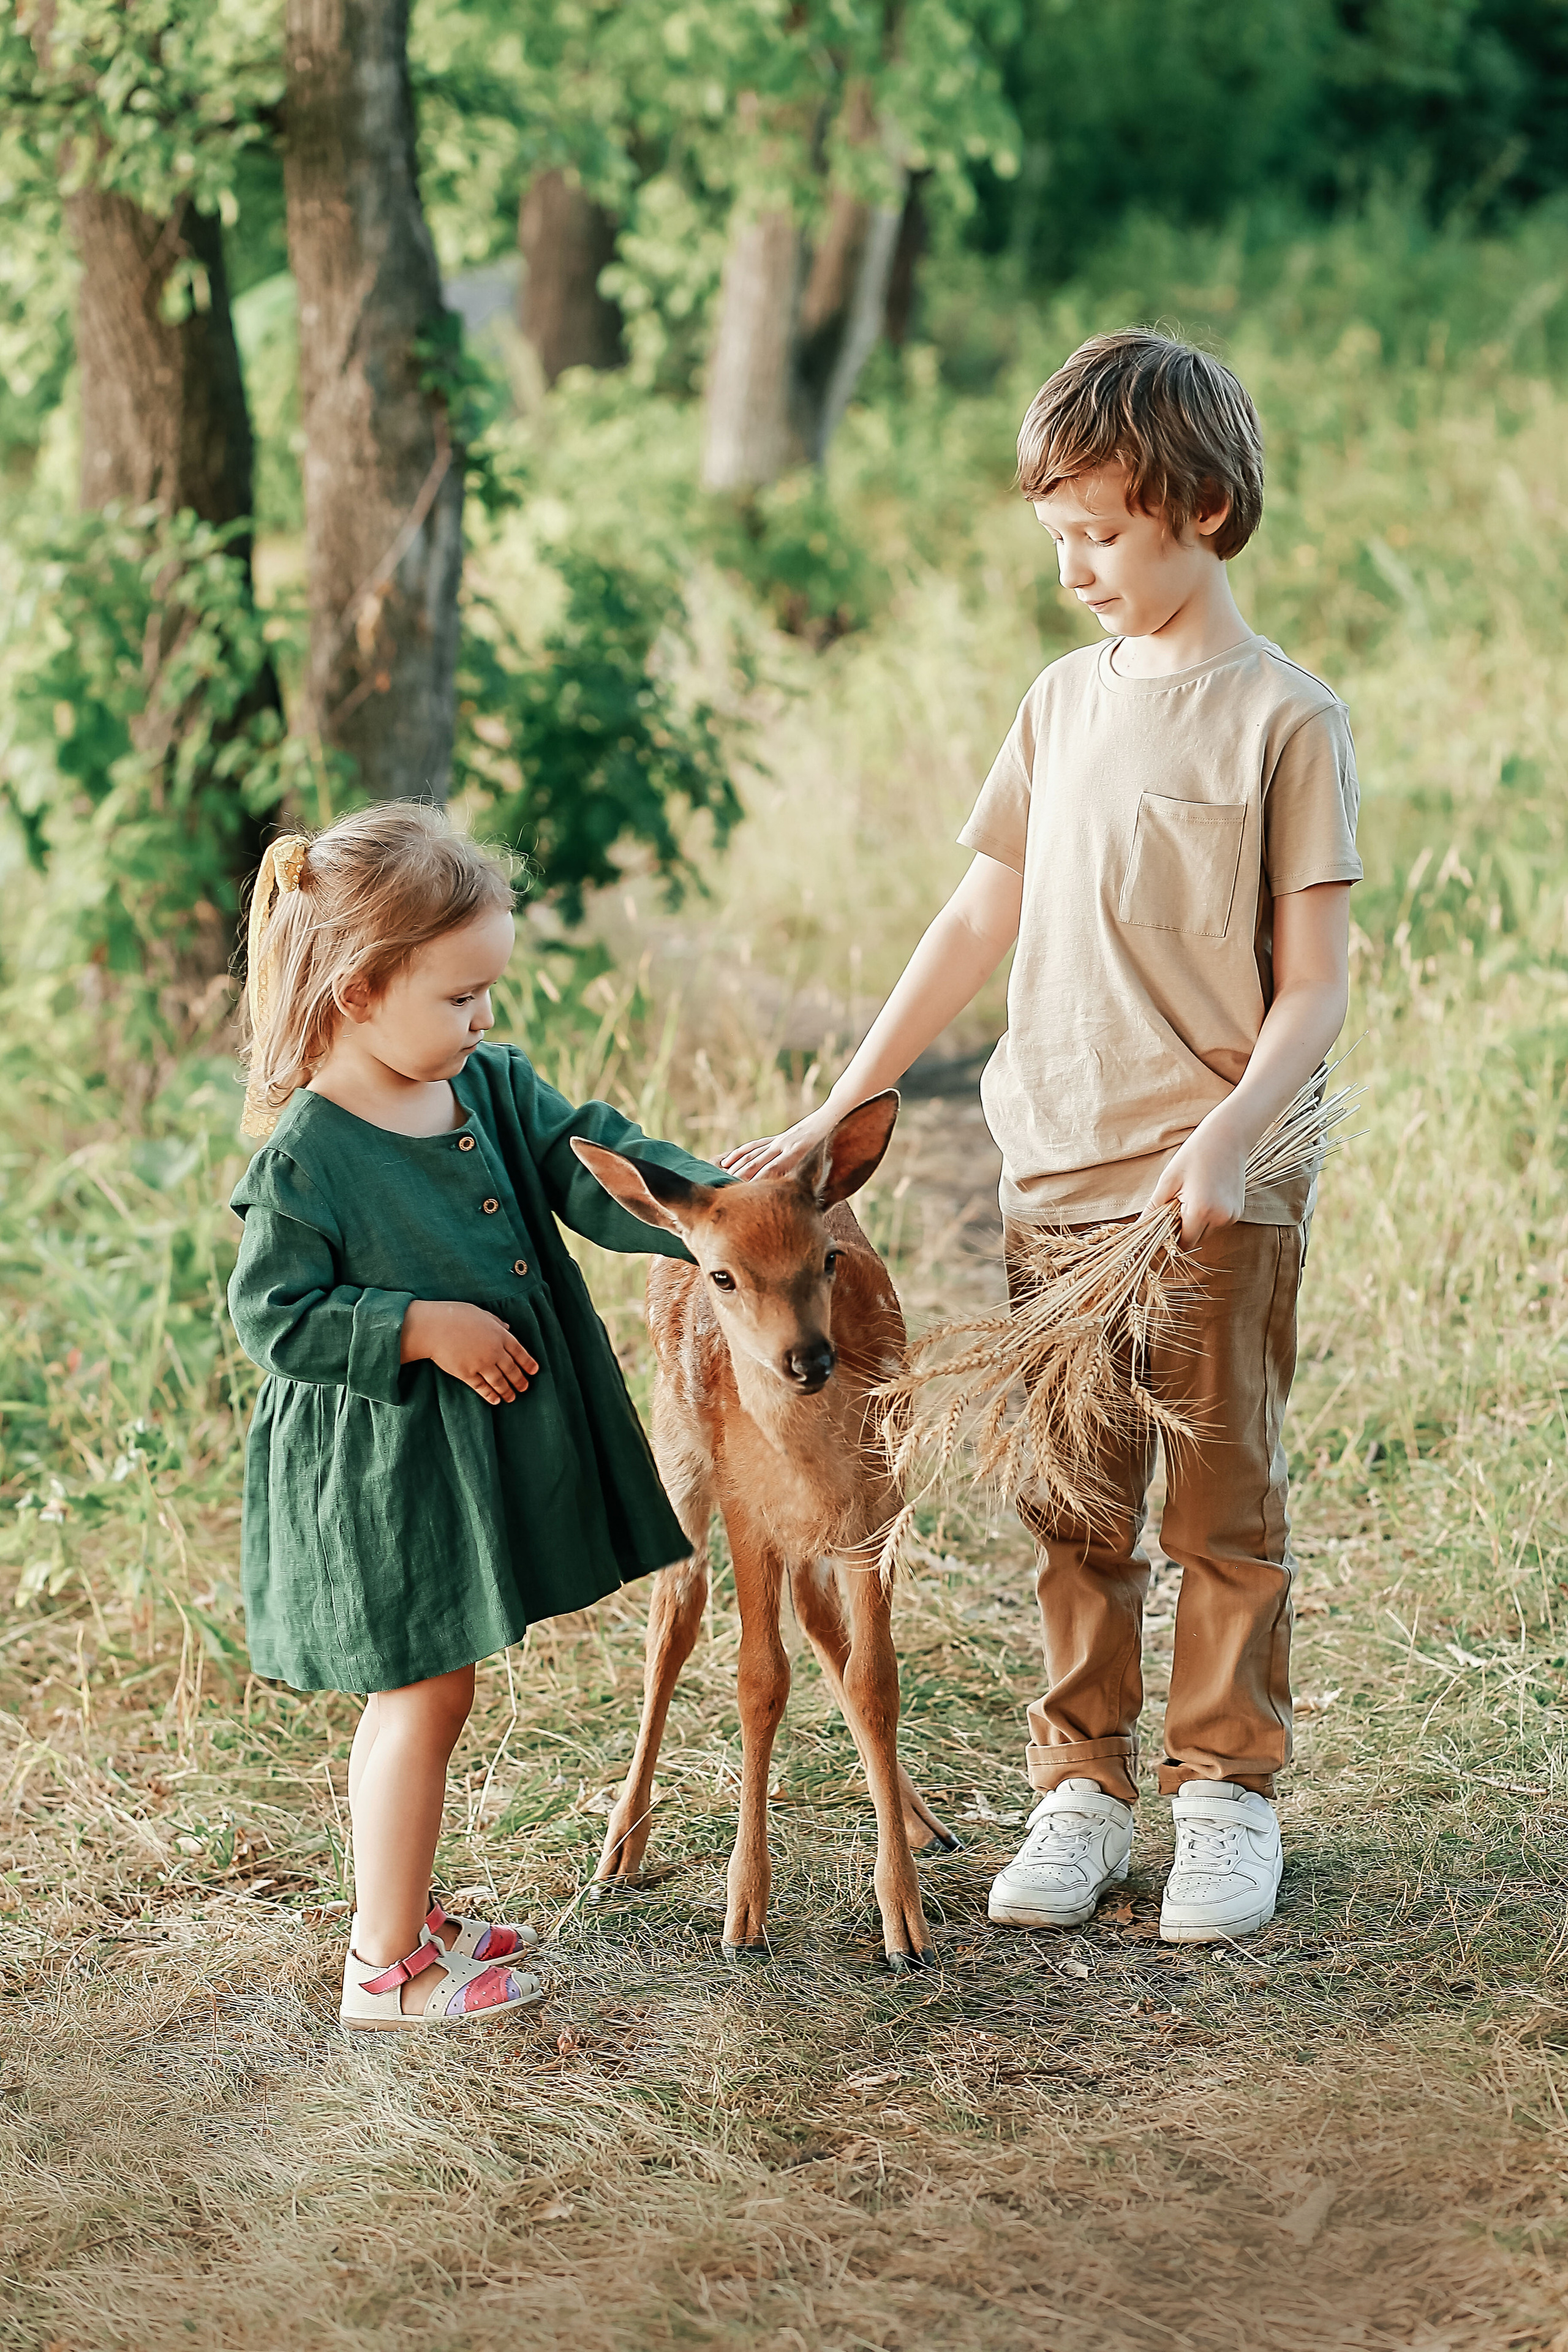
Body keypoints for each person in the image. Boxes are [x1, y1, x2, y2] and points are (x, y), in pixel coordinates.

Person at [725, 330, 1361, 1944]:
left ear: (1202, 507)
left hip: (1213, 1196)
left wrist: (1226, 1142)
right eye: (1057, 536)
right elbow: (979, 911)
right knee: (1074, 1505)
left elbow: (1314, 992)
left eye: (1098, 533)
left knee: (1221, 1503)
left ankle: (1226, 1795)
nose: (1073, 567)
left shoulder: (1285, 722)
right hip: (1058, 1180)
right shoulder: (1060, 704)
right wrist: (849, 1090)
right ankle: (1081, 1785)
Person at [228, 804, 730, 2026]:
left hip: (444, 1469)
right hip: (380, 1481)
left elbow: (583, 1161)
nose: (483, 1020)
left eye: (486, 994)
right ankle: (383, 1967)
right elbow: (276, 1315)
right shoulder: (310, 1155)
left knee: (439, 1689)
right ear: (358, 989)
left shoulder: (486, 1086)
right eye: (459, 999)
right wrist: (415, 1325)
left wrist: (707, 1200)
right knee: (421, 1694)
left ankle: (404, 1914)